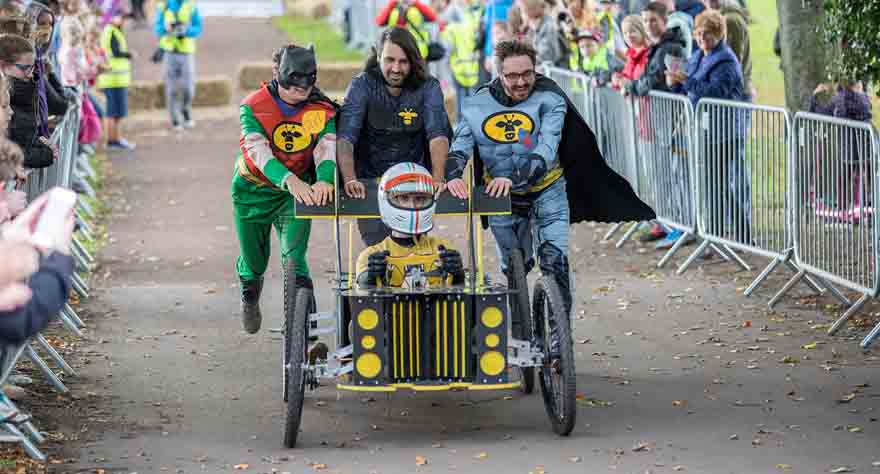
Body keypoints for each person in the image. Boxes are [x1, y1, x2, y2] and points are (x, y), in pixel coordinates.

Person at [446, 40, 654, 354]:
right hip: (499, 197)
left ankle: (559, 341)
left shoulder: (550, 98)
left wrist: (514, 177)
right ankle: (522, 334)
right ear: (498, 74)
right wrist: (452, 175)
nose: (521, 82)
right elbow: (460, 145)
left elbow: (545, 149)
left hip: (548, 189)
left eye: (527, 74)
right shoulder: (477, 104)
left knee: (555, 263)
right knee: (514, 267)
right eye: (512, 76)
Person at [232, 44, 338, 335]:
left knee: (295, 257)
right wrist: (290, 180)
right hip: (253, 191)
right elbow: (257, 151)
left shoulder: (319, 109)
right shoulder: (253, 106)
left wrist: (324, 179)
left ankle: (304, 330)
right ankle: (249, 295)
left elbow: (326, 147)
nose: (300, 89)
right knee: (254, 262)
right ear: (277, 73)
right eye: (293, 82)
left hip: (295, 195)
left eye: (307, 82)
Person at [336, 27, 453, 246]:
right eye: (389, 60)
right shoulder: (361, 85)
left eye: (403, 62)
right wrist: (350, 178)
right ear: (378, 57)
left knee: (413, 249)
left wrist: (438, 178)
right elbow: (346, 138)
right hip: (370, 181)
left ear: (413, 61)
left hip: (413, 182)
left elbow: (437, 134)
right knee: (378, 251)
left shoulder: (429, 86)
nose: (396, 68)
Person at [666, 9, 749, 242]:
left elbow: (715, 93)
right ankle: (718, 234)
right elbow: (687, 87)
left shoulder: (726, 60)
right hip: (704, 130)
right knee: (713, 184)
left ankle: (737, 233)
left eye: (707, 33)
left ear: (719, 34)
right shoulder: (698, 56)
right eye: (698, 33)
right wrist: (674, 82)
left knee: (718, 184)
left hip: (725, 131)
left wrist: (687, 81)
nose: (702, 38)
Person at [356, 162, 464, 289]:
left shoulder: (444, 249)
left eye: (419, 199)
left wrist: (458, 274)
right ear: (386, 199)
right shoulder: (370, 256)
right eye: (404, 198)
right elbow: (362, 293)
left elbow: (460, 290)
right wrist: (369, 277)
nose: (412, 206)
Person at [1, 34, 63, 169]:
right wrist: (45, 154)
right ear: (3, 65)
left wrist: (40, 143)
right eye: (25, 68)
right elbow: (9, 150)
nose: (30, 74)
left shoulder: (26, 93)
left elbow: (24, 139)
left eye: (33, 67)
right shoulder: (14, 97)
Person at [153, 0, 203, 131]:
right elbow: (157, 28)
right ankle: (175, 119)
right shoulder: (163, 6)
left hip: (186, 52)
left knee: (188, 88)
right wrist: (166, 29)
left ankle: (185, 110)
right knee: (171, 89)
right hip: (169, 52)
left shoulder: (191, 5)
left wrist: (186, 30)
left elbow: (198, 28)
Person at [624, 1, 686, 97]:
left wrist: (629, 86)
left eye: (653, 20)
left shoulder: (671, 47)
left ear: (665, 21)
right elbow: (645, 77)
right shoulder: (655, 47)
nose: (648, 24)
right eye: (645, 21)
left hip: (666, 104)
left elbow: (653, 82)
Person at [96, 7, 135, 150]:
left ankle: (116, 139)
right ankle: (113, 140)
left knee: (116, 112)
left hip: (114, 79)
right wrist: (129, 55)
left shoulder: (112, 31)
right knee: (113, 112)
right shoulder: (111, 31)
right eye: (121, 17)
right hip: (113, 79)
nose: (124, 20)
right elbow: (116, 52)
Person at [701, 0, 751, 100]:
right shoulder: (716, 18)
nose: (707, 4)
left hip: (734, 94)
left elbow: (733, 62)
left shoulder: (730, 20)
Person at [441, 0, 482, 116]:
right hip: (472, 69)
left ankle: (461, 124)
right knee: (473, 101)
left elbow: (446, 52)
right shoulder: (471, 24)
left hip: (457, 69)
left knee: (460, 100)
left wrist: (445, 75)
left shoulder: (449, 30)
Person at [519, 0, 564, 66]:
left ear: (530, 10)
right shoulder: (534, 29)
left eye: (522, 11)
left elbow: (546, 55)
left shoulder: (548, 25)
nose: (521, 15)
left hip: (557, 69)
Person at [612, 14, 649, 91]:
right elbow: (627, 78)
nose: (628, 35)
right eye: (625, 33)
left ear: (642, 31)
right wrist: (618, 79)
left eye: (632, 31)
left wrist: (628, 84)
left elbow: (646, 82)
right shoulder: (630, 55)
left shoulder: (649, 53)